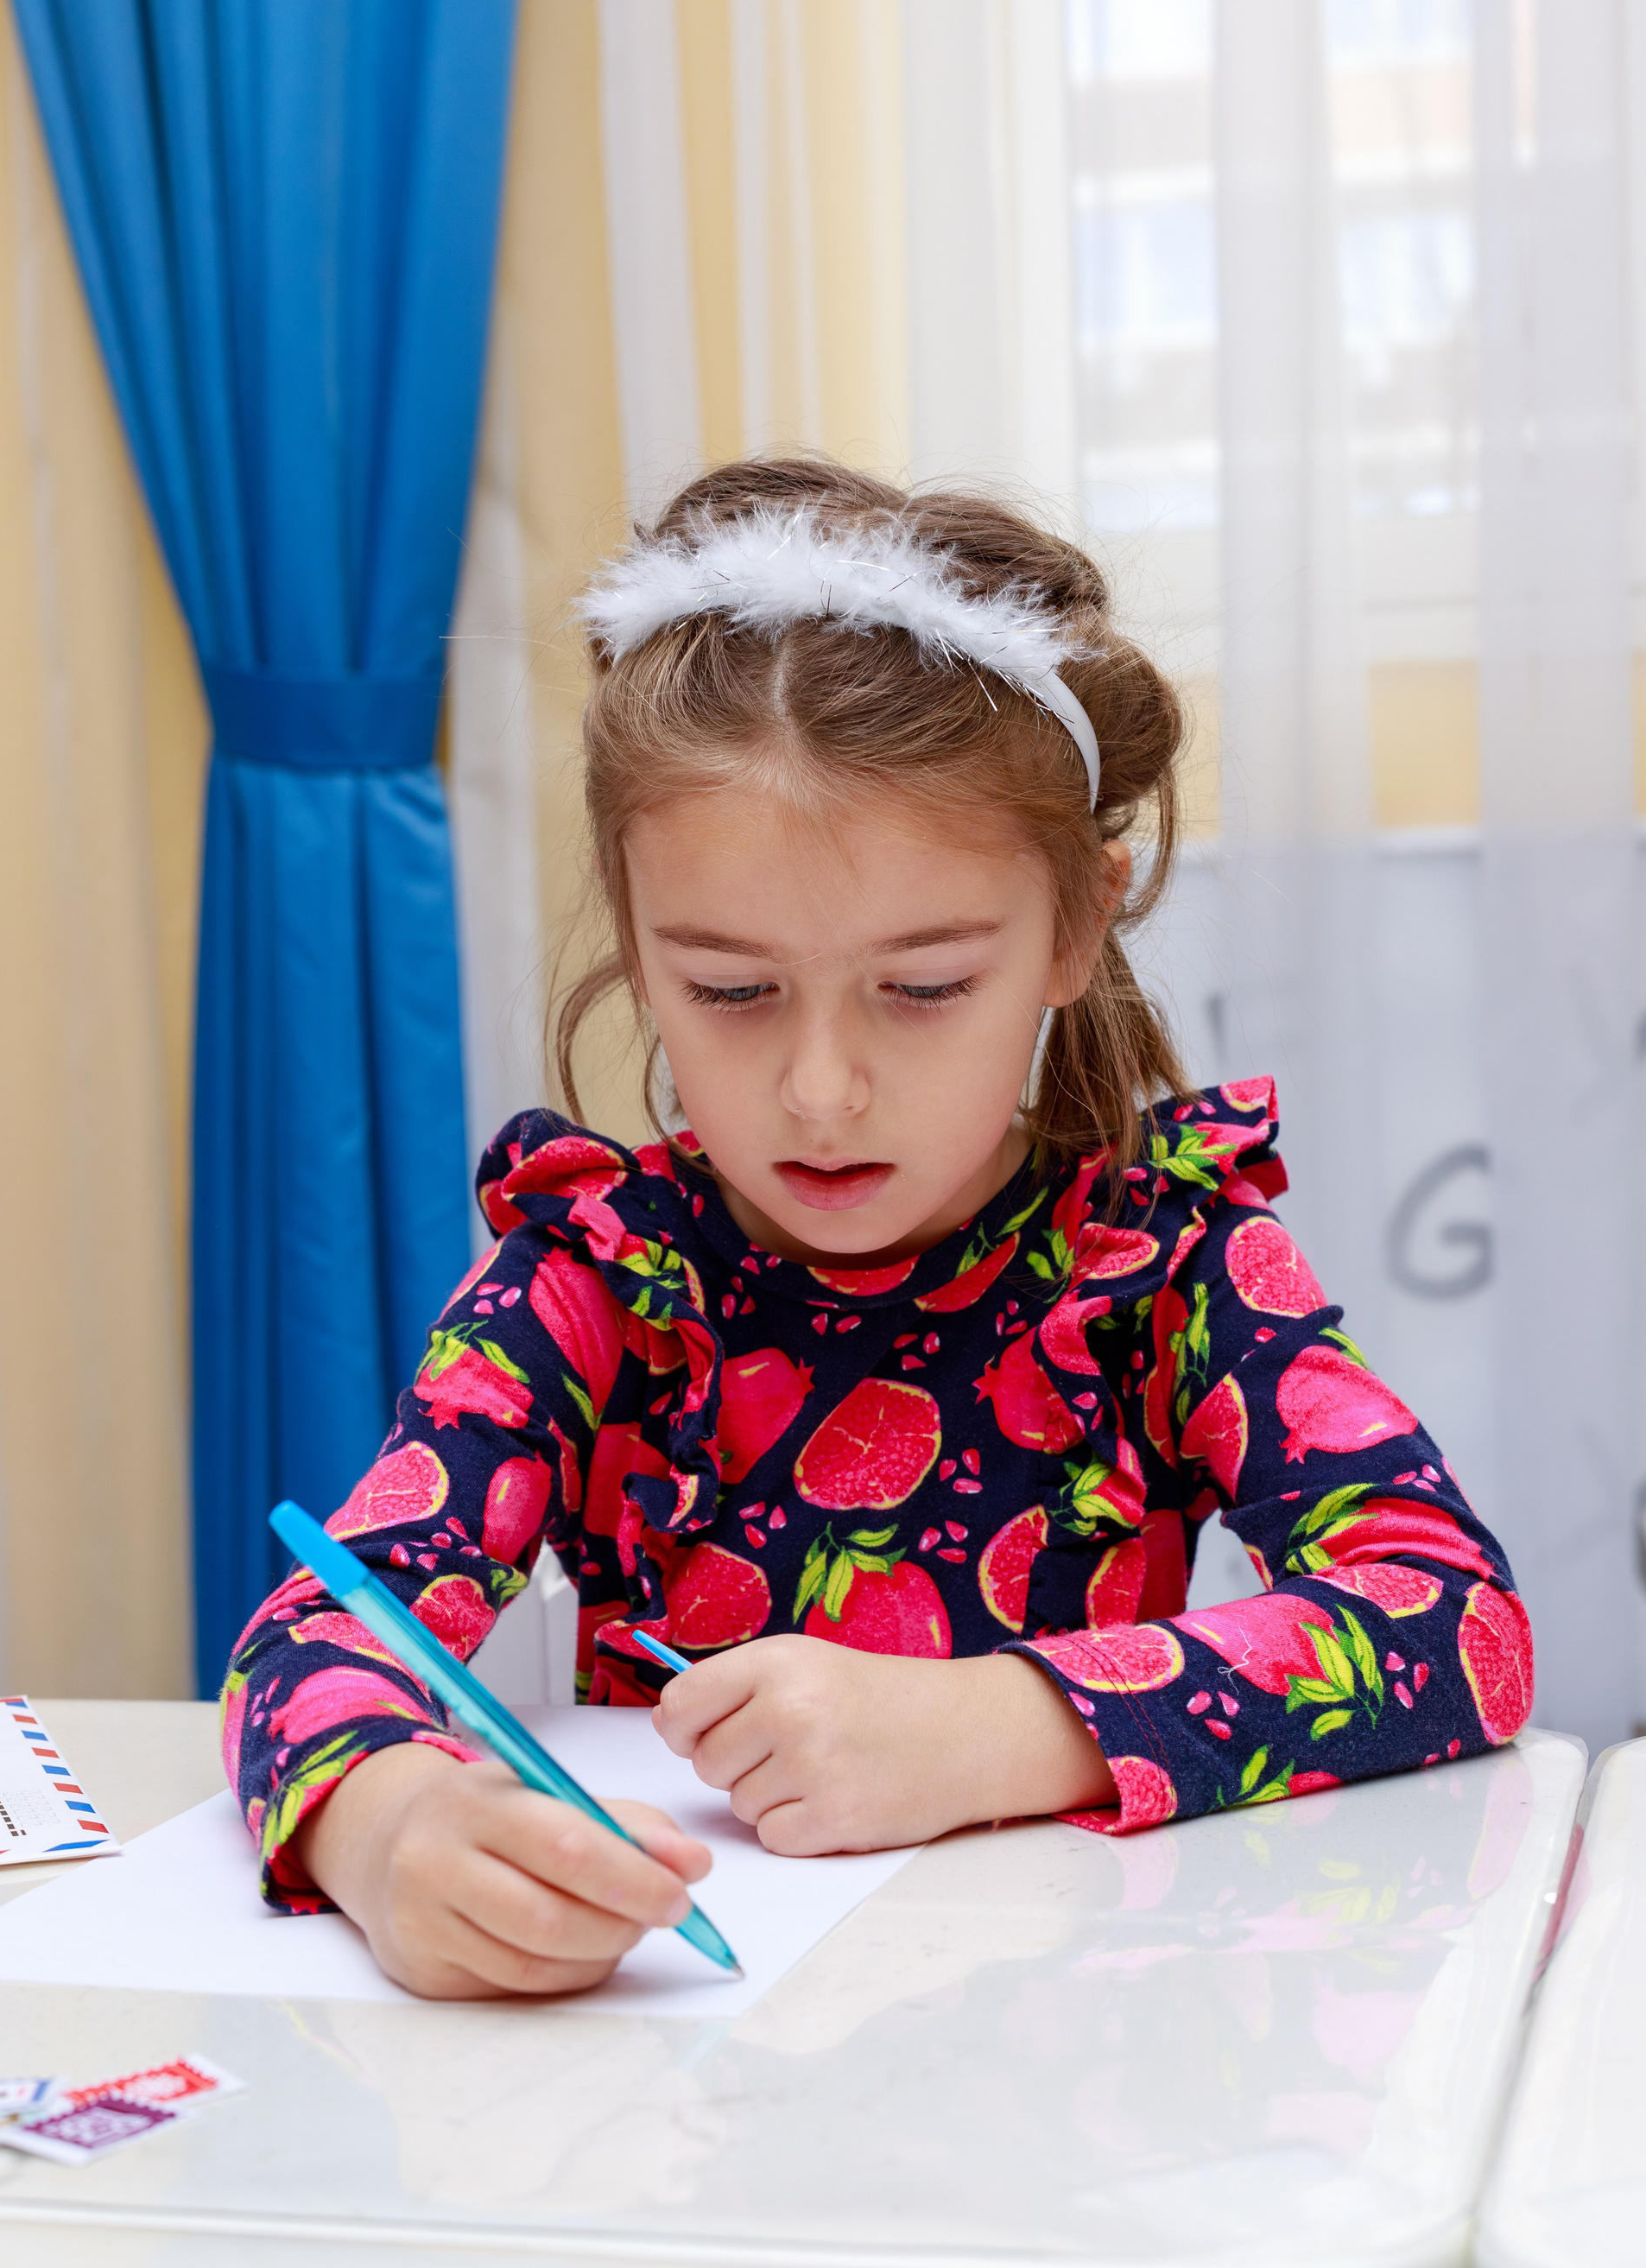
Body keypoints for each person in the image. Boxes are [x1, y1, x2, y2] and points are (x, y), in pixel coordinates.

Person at [223, 457, 1533, 2000]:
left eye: (923, 988)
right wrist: (388, 1827)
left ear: (1079, 922)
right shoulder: (592, 1280)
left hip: (1081, 2045)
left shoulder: (1169, 1259)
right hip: (696, 2059)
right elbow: (321, 1627)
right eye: (730, 989)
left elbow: (1455, 1622)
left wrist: (994, 1728)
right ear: (637, 942)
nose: (822, 1090)